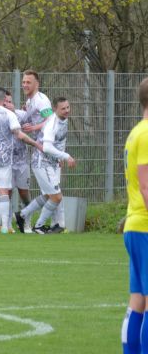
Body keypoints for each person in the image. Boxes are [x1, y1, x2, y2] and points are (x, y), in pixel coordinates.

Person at [0, 87, 41, 234]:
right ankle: (5, 226)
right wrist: (36, 144)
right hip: (3, 158)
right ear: (4, 99)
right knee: (4, 191)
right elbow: (19, 134)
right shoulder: (9, 114)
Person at [16, 97, 76, 234]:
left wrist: (59, 156)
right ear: (55, 109)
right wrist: (65, 156)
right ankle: (38, 226)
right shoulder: (52, 124)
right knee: (57, 197)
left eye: (68, 107)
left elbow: (60, 141)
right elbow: (47, 147)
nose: (67, 110)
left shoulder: (64, 120)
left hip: (51, 162)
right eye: (63, 108)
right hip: (42, 162)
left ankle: (22, 215)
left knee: (50, 195)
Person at [121, 77, 148, 353]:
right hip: (145, 226)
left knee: (138, 299)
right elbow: (146, 184)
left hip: (135, 224)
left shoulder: (136, 131)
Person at [14, 69, 54, 232]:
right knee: (52, 191)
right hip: (40, 148)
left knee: (53, 191)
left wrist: (34, 127)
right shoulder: (30, 101)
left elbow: (51, 120)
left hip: (47, 147)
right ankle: (50, 224)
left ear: (37, 84)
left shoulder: (41, 100)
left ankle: (48, 223)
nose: (25, 85)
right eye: (23, 82)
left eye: (28, 82)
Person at [3, 89, 33, 234]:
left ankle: (27, 221)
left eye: (10, 101)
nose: (8, 104)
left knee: (24, 193)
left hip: (21, 162)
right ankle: (7, 223)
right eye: (5, 102)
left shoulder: (21, 115)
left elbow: (35, 122)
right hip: (5, 163)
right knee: (6, 192)